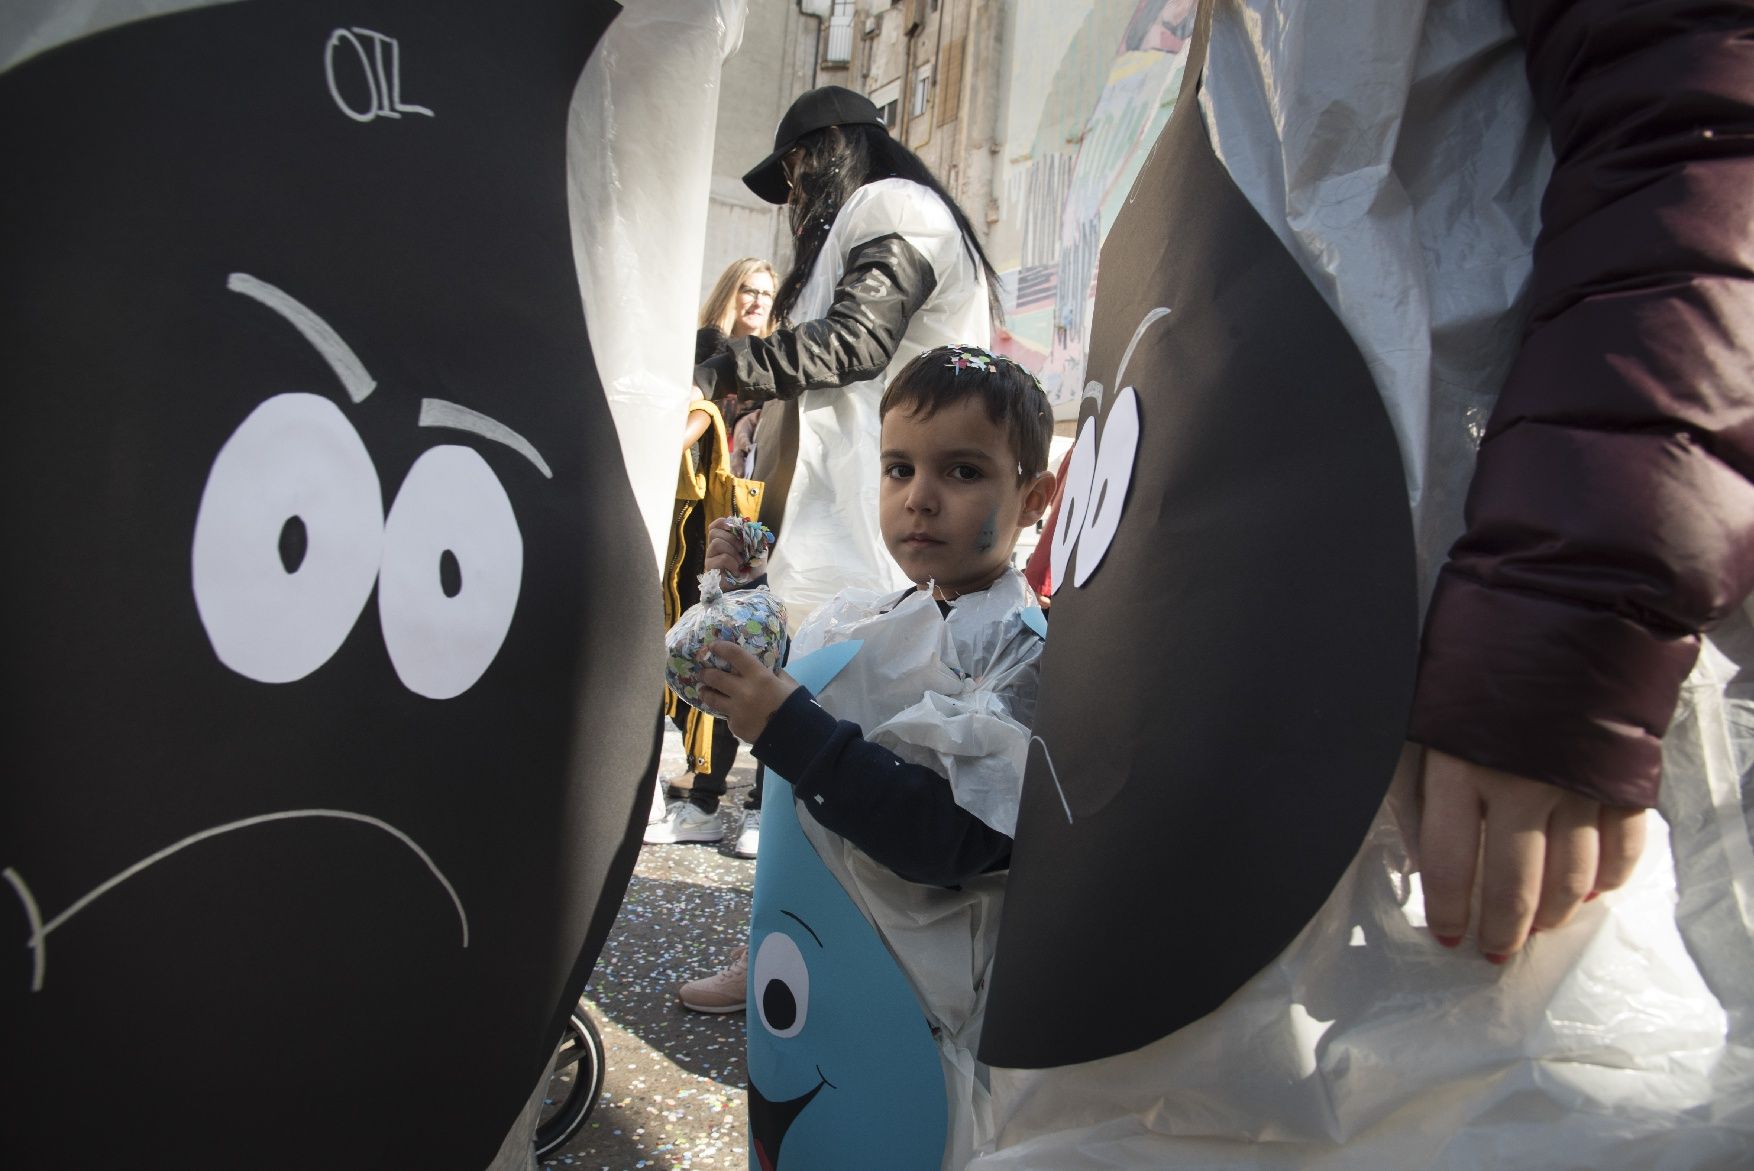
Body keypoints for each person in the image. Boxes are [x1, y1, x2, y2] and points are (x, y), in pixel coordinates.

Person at [695, 345, 1054, 1156]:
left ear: (1034, 495)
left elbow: (957, 838)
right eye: (898, 469)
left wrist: (788, 727)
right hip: (835, 983)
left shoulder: (1021, 654)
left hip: (929, 1021)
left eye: (962, 472)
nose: (920, 499)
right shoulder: (882, 614)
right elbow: (816, 688)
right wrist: (745, 597)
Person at [647, 257, 778, 853]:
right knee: (700, 644)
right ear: (729, 294)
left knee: (760, 654)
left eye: (767, 294)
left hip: (762, 521)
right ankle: (702, 789)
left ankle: (743, 800)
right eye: (748, 290)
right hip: (704, 520)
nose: (757, 302)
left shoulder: (782, 364)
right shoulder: (706, 352)